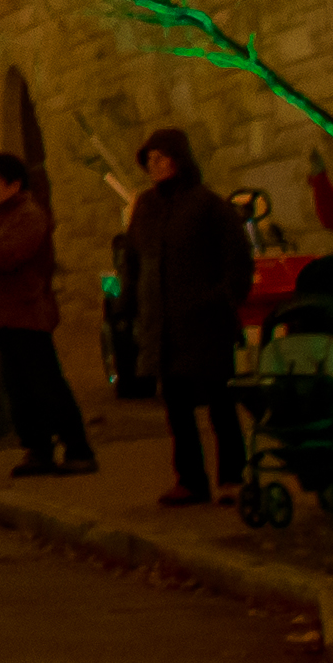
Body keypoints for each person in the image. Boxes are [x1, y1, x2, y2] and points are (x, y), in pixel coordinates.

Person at [117, 125, 257, 507]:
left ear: (179, 160)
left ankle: (232, 476)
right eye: (149, 161)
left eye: (161, 159)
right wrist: (129, 303)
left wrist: (219, 300)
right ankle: (190, 480)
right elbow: (134, 259)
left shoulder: (209, 206)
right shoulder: (146, 207)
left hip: (205, 323)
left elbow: (236, 262)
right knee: (177, 407)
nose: (155, 166)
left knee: (219, 403)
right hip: (163, 325)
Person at [0, 153, 96, 478]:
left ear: (14, 184)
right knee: (19, 388)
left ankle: (77, 447)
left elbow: (6, 257)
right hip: (4, 316)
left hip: (28, 313)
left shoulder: (28, 216)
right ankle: (37, 449)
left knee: (46, 384)